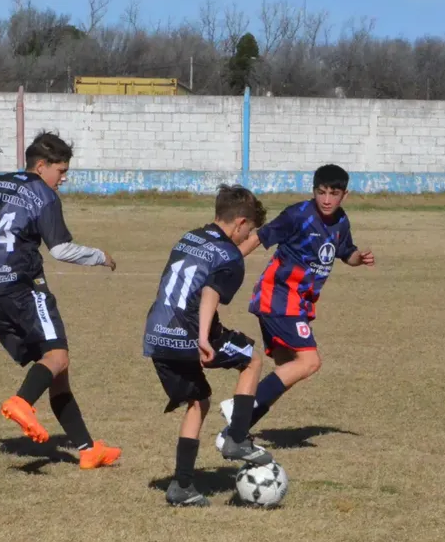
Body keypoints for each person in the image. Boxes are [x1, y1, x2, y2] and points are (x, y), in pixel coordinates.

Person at [0, 131, 121, 470]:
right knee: (57, 356)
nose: (63, 179)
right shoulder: (44, 195)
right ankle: (22, 402)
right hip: (25, 287)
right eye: (61, 171)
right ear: (41, 167)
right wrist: (100, 256)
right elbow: (60, 249)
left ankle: (87, 449)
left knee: (58, 372)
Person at [216, 164, 375, 448]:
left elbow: (346, 252)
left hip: (297, 303)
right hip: (278, 296)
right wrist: (228, 258)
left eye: (334, 194)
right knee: (309, 361)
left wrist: (358, 259)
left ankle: (235, 433)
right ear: (313, 191)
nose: (327, 199)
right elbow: (258, 238)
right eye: (321, 192)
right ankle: (239, 410)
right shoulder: (298, 215)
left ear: (344, 195)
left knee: (288, 367)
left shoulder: (341, 222)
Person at [143, 184, 274, 508]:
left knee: (199, 400)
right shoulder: (230, 256)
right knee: (253, 360)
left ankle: (182, 486)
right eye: (249, 232)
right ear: (241, 223)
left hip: (156, 333)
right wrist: (203, 337)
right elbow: (209, 295)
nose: (247, 239)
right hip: (189, 333)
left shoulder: (189, 236)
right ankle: (237, 438)